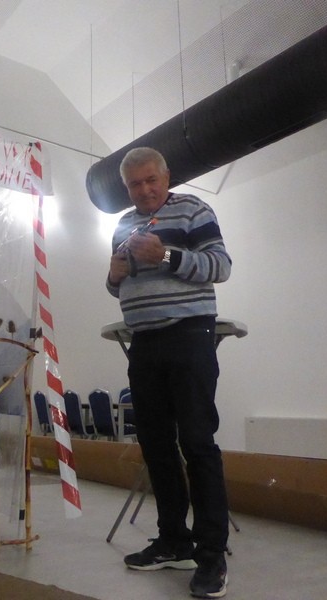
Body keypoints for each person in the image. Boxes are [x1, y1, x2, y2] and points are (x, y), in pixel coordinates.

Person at [106, 147, 232, 598]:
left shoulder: (194, 210)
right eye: (134, 184)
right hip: (144, 341)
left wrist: (167, 257)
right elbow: (118, 286)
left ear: (166, 176)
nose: (144, 190)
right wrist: (113, 275)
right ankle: (174, 540)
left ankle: (211, 555)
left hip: (189, 334)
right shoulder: (123, 224)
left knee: (197, 442)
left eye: (150, 180)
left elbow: (221, 266)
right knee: (156, 445)